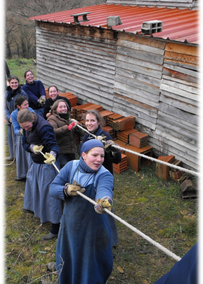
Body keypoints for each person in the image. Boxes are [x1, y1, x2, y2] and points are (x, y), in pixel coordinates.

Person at [50, 139, 115, 284]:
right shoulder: (71, 167)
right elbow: (53, 188)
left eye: (102, 156)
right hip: (70, 225)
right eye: (95, 155)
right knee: (69, 254)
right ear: (83, 155)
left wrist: (104, 200)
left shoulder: (104, 174)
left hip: (93, 229)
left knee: (90, 262)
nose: (99, 160)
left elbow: (105, 188)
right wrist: (65, 190)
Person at [17, 108, 63, 240]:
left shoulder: (44, 127)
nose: (26, 129)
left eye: (27, 126)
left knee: (50, 195)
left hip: (46, 166)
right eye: (23, 127)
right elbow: (24, 143)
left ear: (32, 119)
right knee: (34, 188)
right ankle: (34, 208)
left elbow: (53, 145)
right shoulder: (27, 128)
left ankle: (56, 227)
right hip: (35, 164)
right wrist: (31, 148)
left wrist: (53, 154)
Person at [81, 109, 122, 175]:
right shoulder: (86, 137)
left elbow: (117, 160)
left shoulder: (105, 137)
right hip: (88, 173)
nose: (89, 123)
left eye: (92, 120)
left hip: (102, 174)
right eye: (87, 120)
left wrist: (114, 152)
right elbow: (80, 152)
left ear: (99, 122)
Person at [47, 99, 82, 168]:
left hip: (72, 150)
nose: (63, 109)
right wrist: (67, 127)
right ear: (55, 109)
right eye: (60, 107)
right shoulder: (52, 119)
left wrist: (78, 126)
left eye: (65, 107)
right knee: (64, 171)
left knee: (73, 170)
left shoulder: (69, 118)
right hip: (62, 152)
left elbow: (81, 133)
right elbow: (53, 132)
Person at [10, 95, 34, 181]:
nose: (27, 106)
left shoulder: (31, 111)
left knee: (30, 157)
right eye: (25, 104)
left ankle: (31, 175)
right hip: (21, 137)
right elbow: (15, 129)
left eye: (27, 104)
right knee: (21, 156)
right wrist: (20, 132)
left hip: (31, 136)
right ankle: (22, 174)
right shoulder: (14, 114)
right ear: (18, 106)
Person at [4, 75, 28, 161]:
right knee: (11, 138)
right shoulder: (6, 93)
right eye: (12, 83)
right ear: (9, 83)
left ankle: (20, 157)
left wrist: (20, 118)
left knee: (20, 138)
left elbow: (26, 106)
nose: (14, 84)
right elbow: (4, 108)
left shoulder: (22, 93)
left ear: (18, 83)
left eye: (16, 82)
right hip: (10, 120)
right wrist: (9, 118)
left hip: (21, 119)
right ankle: (12, 155)